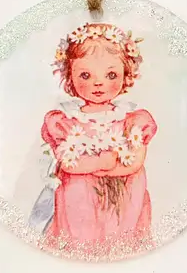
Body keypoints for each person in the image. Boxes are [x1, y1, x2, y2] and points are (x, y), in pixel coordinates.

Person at [40, 22, 157, 255]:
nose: (98, 83)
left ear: (126, 74)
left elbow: (135, 162)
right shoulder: (65, 122)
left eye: (111, 74)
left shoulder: (133, 121)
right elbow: (68, 164)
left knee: (120, 239)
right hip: (80, 203)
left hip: (123, 201)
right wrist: (102, 162)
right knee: (81, 240)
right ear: (69, 76)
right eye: (85, 75)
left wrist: (104, 170)